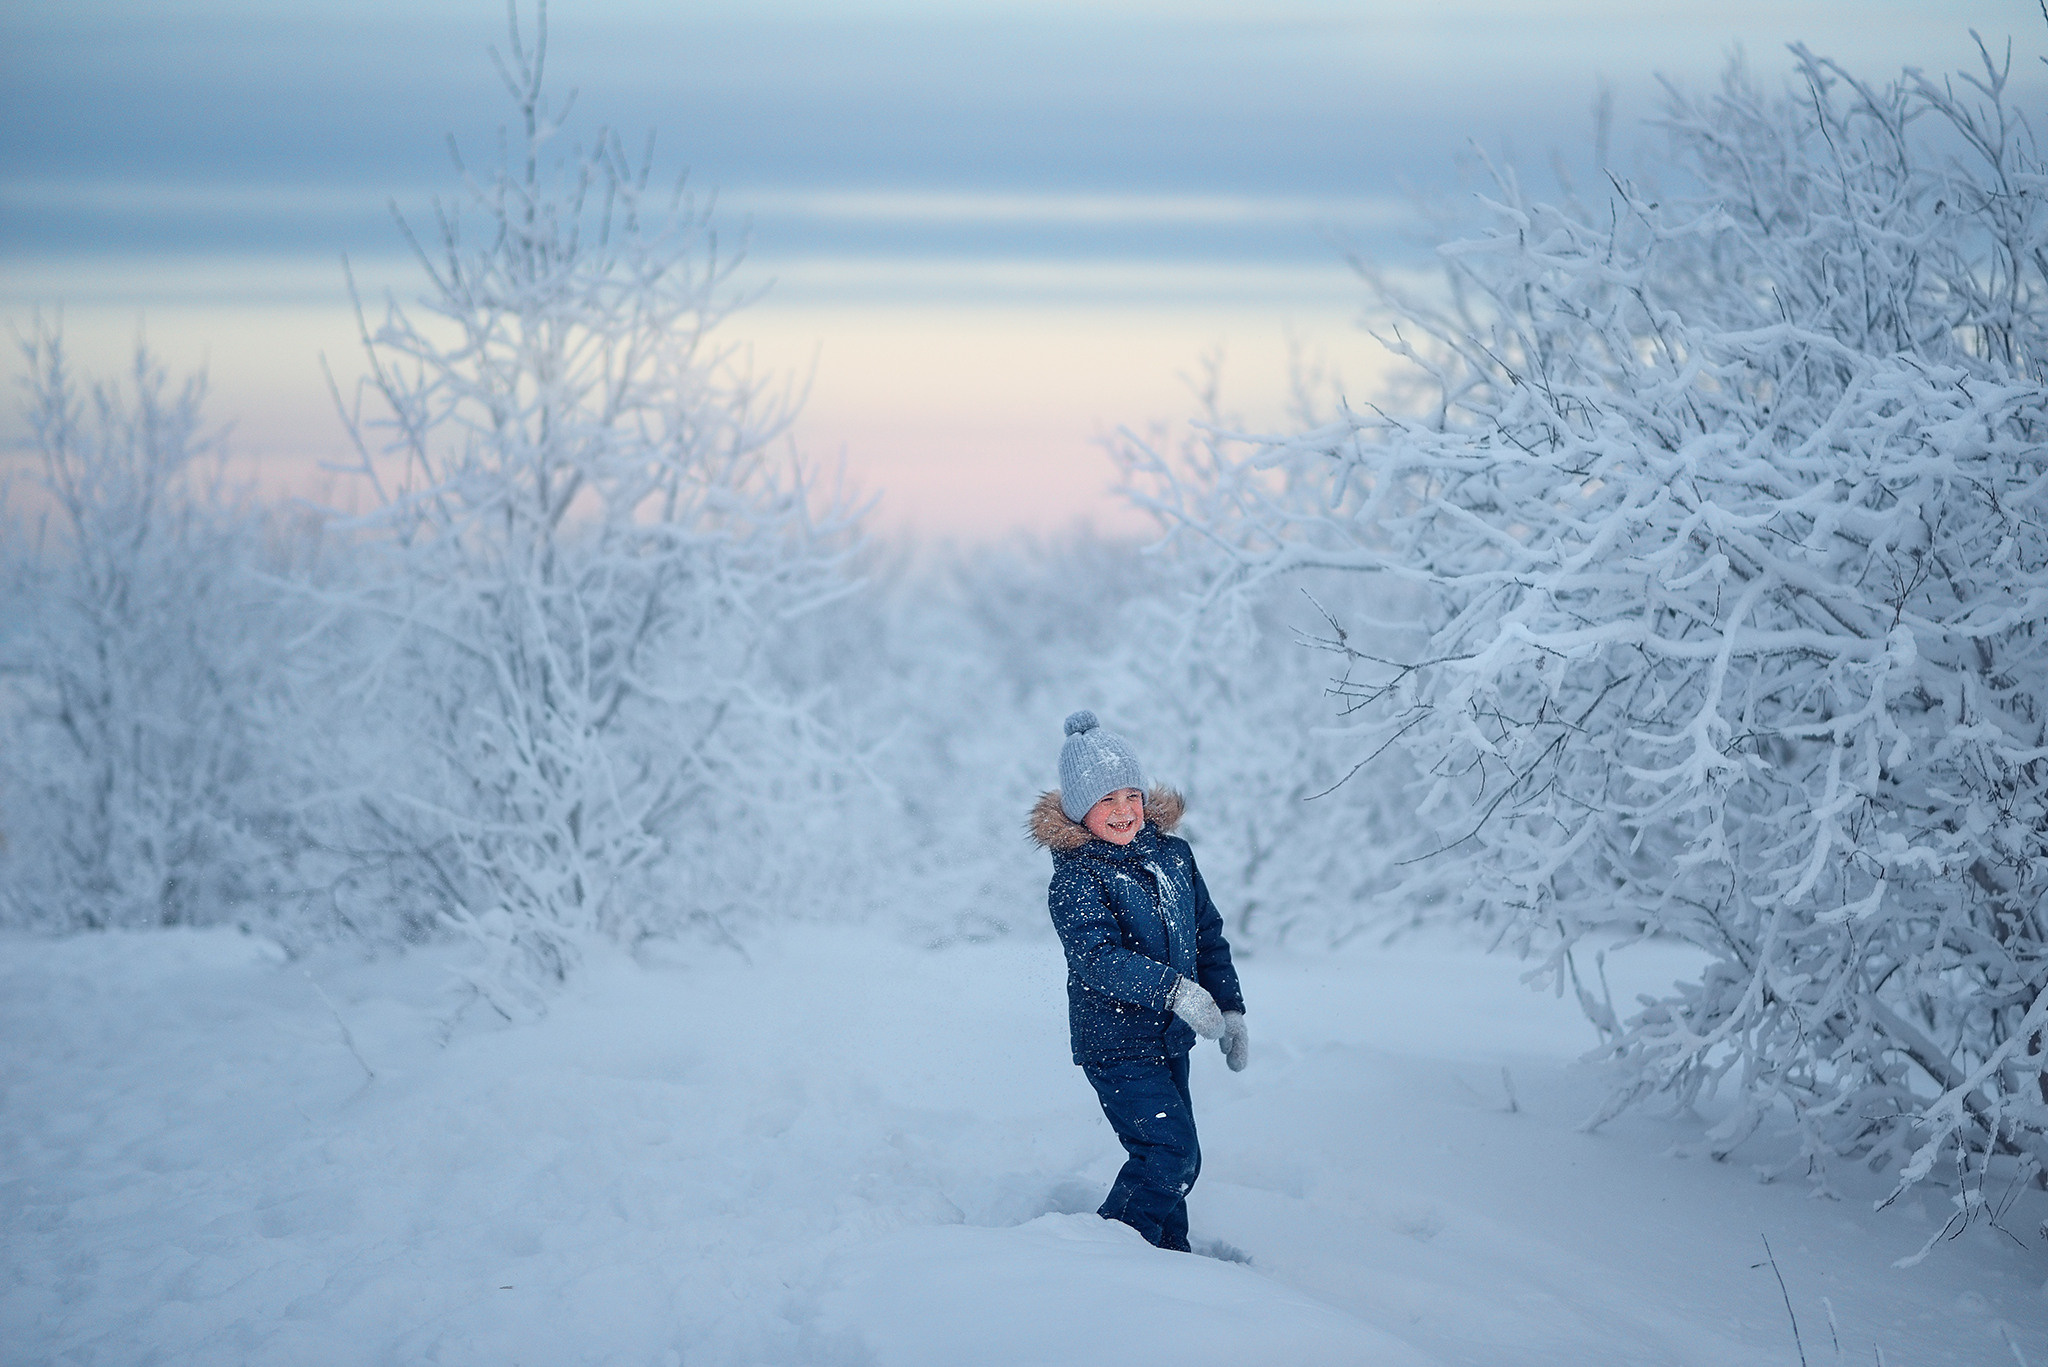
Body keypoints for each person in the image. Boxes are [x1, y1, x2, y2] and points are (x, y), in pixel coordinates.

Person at [1028, 710, 1249, 1253]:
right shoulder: (1077, 877)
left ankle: (1167, 1264)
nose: (1123, 810)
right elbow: (1097, 958)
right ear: (1080, 809)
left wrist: (1231, 1009)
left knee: (1177, 1159)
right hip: (1117, 1044)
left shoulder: (1174, 856)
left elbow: (1206, 932)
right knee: (1168, 1155)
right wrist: (1176, 992)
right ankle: (1105, 1254)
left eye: (1131, 794)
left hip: (1171, 1039)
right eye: (1105, 800)